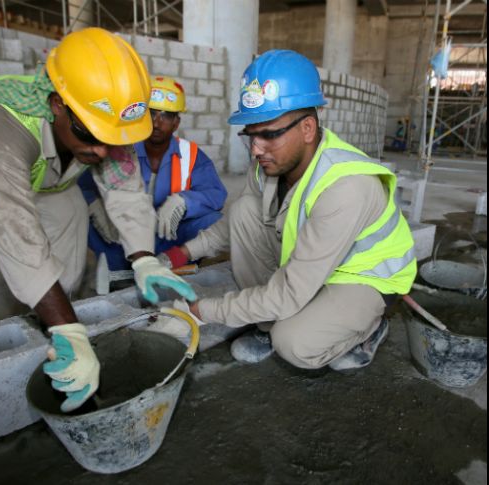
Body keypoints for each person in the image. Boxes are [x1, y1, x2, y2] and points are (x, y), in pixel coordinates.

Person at [0, 28, 195, 412]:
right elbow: (12, 227)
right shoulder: (0, 120)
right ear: (57, 105)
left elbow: (125, 190)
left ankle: (51, 325)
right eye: (91, 133)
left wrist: (144, 257)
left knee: (69, 214)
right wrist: (70, 326)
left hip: (41, 160)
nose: (103, 149)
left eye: (113, 138)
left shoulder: (102, 120)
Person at [162, 50, 417, 370]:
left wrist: (198, 312)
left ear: (308, 128)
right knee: (245, 211)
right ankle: (268, 324)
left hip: (361, 276)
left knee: (294, 343)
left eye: (269, 134)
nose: (256, 149)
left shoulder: (346, 186)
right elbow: (232, 226)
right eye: (251, 136)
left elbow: (291, 291)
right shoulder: (270, 163)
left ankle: (368, 328)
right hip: (316, 263)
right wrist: (180, 254)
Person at [77, 75, 227, 272]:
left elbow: (216, 193)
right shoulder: (121, 149)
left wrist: (185, 202)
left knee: (213, 220)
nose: (156, 123)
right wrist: (94, 204)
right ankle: (119, 273)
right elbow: (84, 184)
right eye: (151, 113)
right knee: (79, 215)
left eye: (165, 115)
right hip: (123, 237)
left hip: (170, 236)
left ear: (176, 123)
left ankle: (180, 263)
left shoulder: (191, 154)